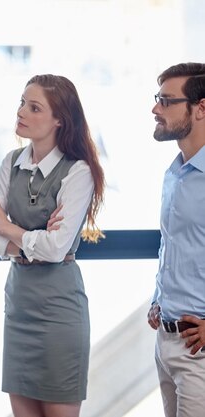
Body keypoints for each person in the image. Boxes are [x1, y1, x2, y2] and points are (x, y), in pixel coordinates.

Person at [0, 74, 105, 417]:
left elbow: (54, 248)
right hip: (19, 305)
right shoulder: (11, 161)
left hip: (59, 312)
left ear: (58, 120)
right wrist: (31, 241)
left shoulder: (78, 171)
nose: (21, 112)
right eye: (22, 102)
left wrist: (9, 228)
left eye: (34, 107)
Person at [146, 62, 205, 417]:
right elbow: (176, 246)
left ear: (201, 107)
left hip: (198, 352)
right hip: (165, 341)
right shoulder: (175, 173)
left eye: (166, 101)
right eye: (157, 99)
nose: (155, 109)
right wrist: (159, 298)